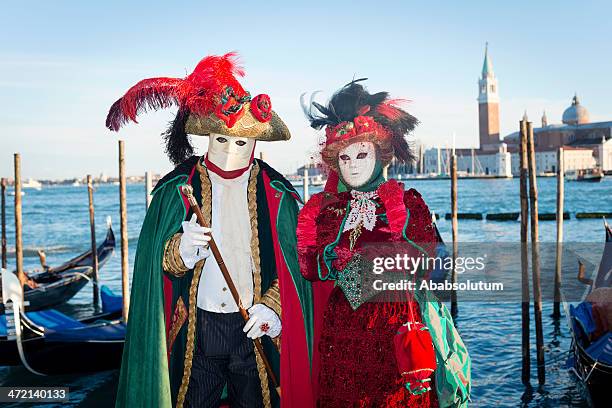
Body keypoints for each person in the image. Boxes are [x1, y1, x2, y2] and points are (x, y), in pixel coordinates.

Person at [106, 53, 314, 408]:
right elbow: (156, 267)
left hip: (252, 329)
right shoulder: (175, 189)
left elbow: (297, 264)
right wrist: (180, 251)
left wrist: (274, 308)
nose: (231, 151)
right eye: (221, 140)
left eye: (241, 143)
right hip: (197, 331)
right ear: (207, 137)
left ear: (255, 143)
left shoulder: (278, 193)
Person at [297, 80, 471, 407]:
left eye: (362, 153)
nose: (353, 164)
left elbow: (431, 265)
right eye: (344, 157)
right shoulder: (329, 210)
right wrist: (333, 258)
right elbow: (309, 265)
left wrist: (373, 264)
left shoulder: (407, 203)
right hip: (343, 334)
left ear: (380, 154)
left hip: (396, 332)